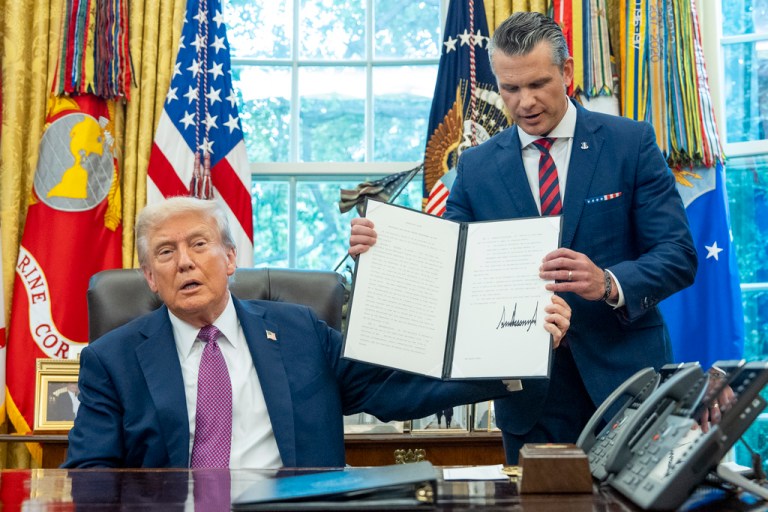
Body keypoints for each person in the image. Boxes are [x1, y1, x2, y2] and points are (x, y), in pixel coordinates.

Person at [349, 12, 697, 464]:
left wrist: (609, 283)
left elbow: (678, 255)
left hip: (626, 381)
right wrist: (381, 249)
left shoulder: (629, 143)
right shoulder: (476, 168)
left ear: (567, 72)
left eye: (537, 84)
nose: (525, 102)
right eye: (510, 89)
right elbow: (448, 265)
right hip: (529, 395)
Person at [63, 196, 571, 469]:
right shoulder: (113, 359)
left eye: (199, 244)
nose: (185, 262)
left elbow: (396, 389)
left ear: (232, 258)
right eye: (166, 253)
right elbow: (90, 474)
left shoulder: (300, 330)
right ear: (149, 278)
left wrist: (519, 351)